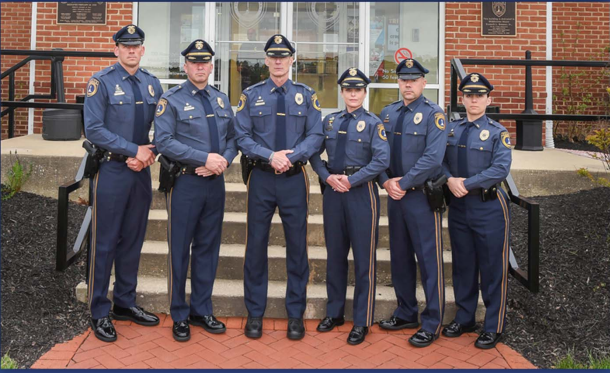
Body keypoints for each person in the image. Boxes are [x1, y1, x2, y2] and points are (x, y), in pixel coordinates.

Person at [235, 34, 323, 341]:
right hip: (260, 178)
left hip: (293, 180)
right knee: (255, 246)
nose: (277, 61)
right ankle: (254, 314)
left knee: (297, 248)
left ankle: (295, 314)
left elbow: (316, 135)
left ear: (292, 60)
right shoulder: (251, 95)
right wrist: (269, 155)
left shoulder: (306, 94)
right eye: (272, 56)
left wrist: (293, 157)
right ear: (266, 60)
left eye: (283, 56)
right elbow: (241, 136)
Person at [154, 39, 238, 342]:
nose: (200, 67)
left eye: (205, 62)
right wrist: (203, 158)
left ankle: (201, 309)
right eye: (194, 62)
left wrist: (223, 161)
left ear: (211, 66)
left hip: (215, 183)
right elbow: (164, 142)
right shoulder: (171, 99)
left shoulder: (220, 99)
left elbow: (233, 139)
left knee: (208, 248)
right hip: (185, 183)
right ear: (186, 66)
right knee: (180, 249)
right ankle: (179, 313)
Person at [84, 24, 162, 342]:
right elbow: (94, 129)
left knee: (133, 240)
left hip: (140, 174)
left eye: (136, 46)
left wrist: (150, 153)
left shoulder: (153, 84)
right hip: (112, 172)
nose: (131, 50)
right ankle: (99, 310)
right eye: (125, 46)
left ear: (142, 50)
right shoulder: (100, 82)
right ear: (116, 49)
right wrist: (132, 150)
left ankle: (124, 303)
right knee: (105, 242)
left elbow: (165, 127)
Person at [310, 68, 389, 345]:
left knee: (364, 258)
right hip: (334, 192)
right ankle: (335, 313)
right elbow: (313, 154)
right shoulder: (329, 122)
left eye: (358, 89)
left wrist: (352, 179)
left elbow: (381, 161)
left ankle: (362, 319)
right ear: (342, 92)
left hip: (361, 192)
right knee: (335, 254)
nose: (353, 94)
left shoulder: (373, 123)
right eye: (348, 89)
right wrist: (327, 176)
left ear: (365, 93)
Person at [377, 58, 448, 348]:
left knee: (429, 261)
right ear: (399, 82)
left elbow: (433, 159)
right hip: (395, 197)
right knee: (401, 258)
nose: (408, 84)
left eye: (414, 79)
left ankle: (432, 322)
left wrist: (402, 183)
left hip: (420, 197)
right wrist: (385, 181)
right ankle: (406, 312)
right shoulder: (387, 113)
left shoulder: (434, 115)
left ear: (423, 82)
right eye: (404, 79)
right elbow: (378, 152)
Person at [441, 73, 512, 349]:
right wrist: (449, 180)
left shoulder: (498, 133)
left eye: (479, 95)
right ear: (462, 99)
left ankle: (493, 326)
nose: (474, 99)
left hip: (489, 207)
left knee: (492, 268)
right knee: (463, 265)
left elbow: (500, 169)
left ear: (488, 100)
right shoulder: (451, 130)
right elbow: (440, 160)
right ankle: (465, 317)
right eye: (469, 95)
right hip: (459, 207)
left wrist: (465, 183)